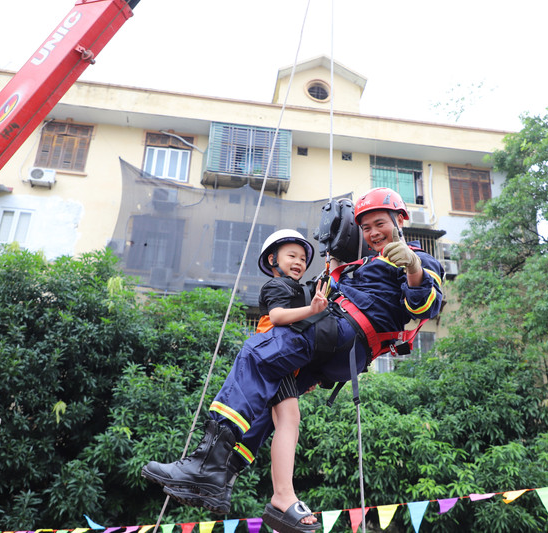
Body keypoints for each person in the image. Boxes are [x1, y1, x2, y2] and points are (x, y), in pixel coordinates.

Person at [142, 187, 444, 533]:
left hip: (347, 332)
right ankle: (229, 479)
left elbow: (423, 307)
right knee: (273, 396)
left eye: (379, 224)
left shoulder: (415, 259)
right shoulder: (360, 264)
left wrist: (414, 267)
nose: (373, 233)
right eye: (366, 228)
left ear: (400, 220)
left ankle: (205, 463)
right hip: (336, 344)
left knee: (257, 352)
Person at [255, 229, 327, 530]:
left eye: (302, 258)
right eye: (291, 256)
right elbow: (279, 316)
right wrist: (311, 310)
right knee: (289, 419)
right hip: (271, 356)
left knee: (287, 420)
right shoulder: (276, 285)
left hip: (278, 359)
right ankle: (283, 494)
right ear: (273, 259)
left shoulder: (293, 288)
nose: (298, 262)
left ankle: (282, 497)